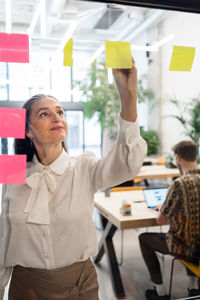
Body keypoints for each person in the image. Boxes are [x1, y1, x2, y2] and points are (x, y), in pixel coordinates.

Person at [0, 60, 147, 300]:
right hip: (26, 288)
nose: (57, 117)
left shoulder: (84, 167)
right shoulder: (13, 173)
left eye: (60, 112)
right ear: (27, 130)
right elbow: (4, 237)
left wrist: (128, 96)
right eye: (44, 114)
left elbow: (127, 163)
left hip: (80, 286)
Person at [139, 140, 200, 300]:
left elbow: (161, 220)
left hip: (186, 249)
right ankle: (193, 286)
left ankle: (160, 292)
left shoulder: (179, 184)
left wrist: (164, 207)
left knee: (143, 238)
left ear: (178, 158)